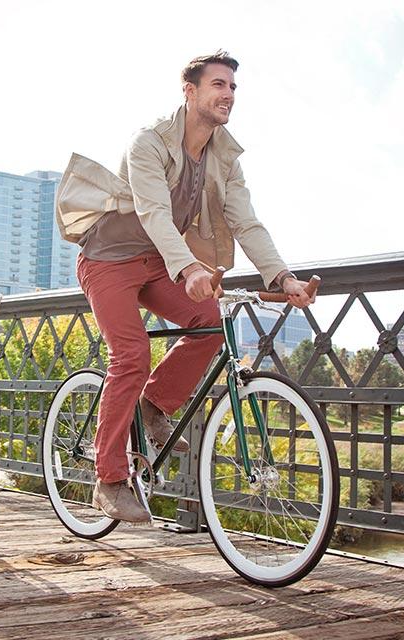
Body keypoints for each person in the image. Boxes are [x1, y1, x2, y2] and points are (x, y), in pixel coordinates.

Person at [55, 51, 316, 523]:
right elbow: (154, 213)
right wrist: (190, 269)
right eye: (219, 85)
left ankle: (154, 403)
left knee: (211, 324)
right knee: (131, 356)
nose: (229, 95)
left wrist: (282, 276)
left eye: (233, 87)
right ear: (190, 90)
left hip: (158, 262)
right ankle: (108, 479)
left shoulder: (225, 156)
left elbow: (246, 221)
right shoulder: (149, 142)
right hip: (109, 259)